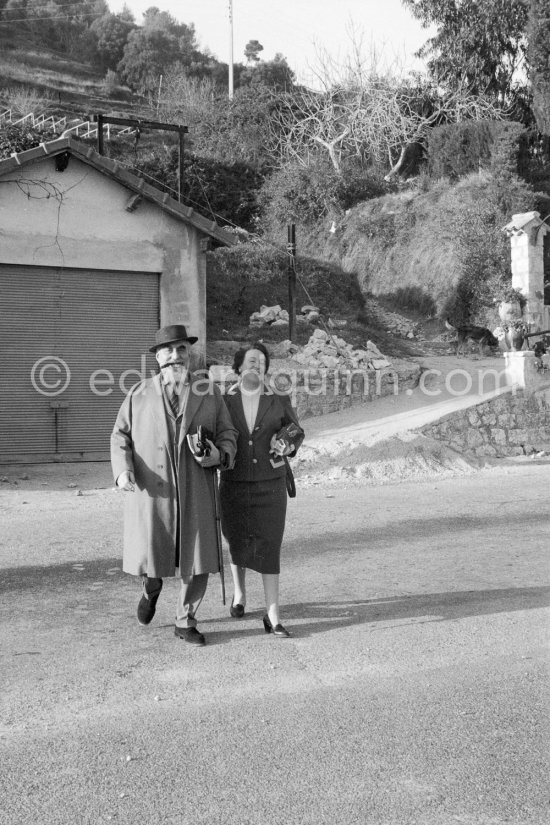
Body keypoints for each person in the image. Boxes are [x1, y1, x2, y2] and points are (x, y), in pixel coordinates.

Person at [110, 324, 238, 647]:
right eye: (168, 351)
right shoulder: (138, 394)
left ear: (189, 354)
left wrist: (220, 455)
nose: (176, 356)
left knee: (198, 557)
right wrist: (123, 471)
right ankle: (151, 588)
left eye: (182, 349)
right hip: (155, 491)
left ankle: (185, 620)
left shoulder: (208, 393)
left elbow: (228, 434)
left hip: (196, 488)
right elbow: (119, 436)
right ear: (157, 357)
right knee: (153, 553)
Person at [220, 342, 304, 637]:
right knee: (236, 539)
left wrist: (285, 442)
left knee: (270, 545)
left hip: (271, 484)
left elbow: (295, 430)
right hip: (234, 482)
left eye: (261, 361)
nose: (256, 364)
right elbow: (219, 435)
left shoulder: (278, 397)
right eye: (250, 360)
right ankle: (240, 595)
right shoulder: (224, 400)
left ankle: (273, 614)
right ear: (239, 366)